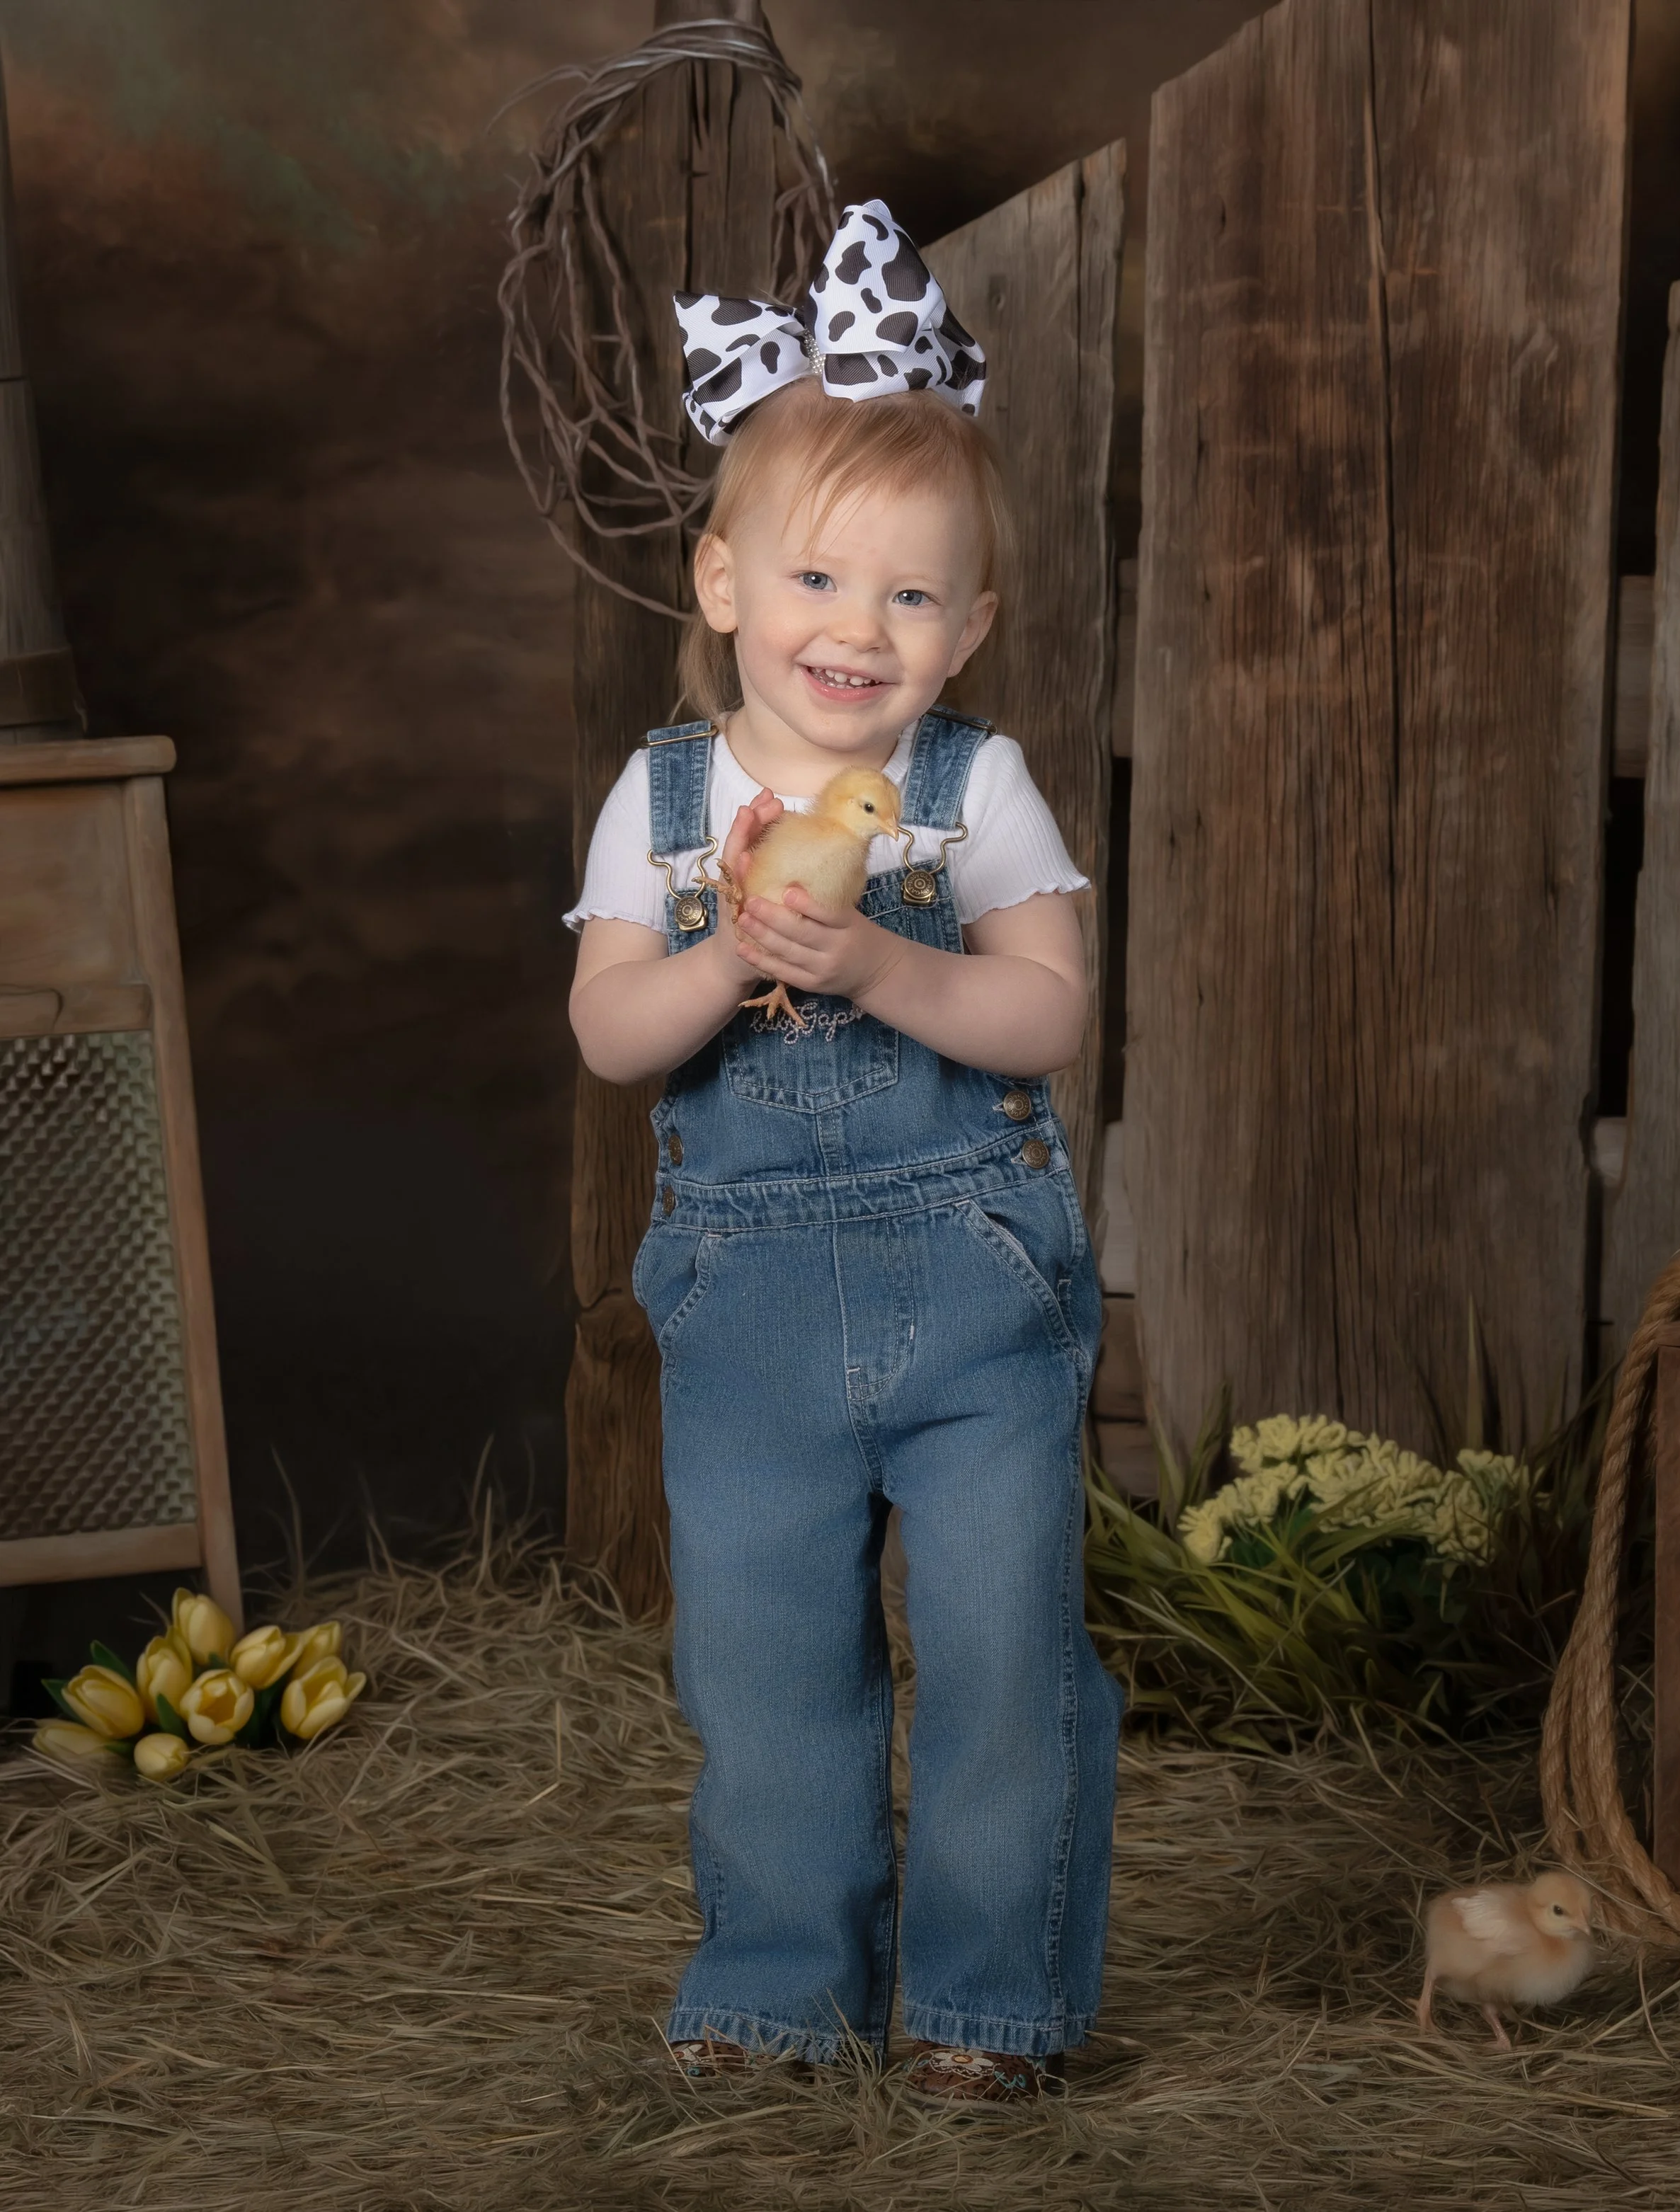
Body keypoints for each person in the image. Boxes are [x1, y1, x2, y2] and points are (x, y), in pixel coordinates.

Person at [566, 201, 1121, 2107]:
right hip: (749, 1325)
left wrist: (882, 957)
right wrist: (729, 956)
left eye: (908, 599)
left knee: (995, 1660)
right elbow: (609, 1032)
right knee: (769, 1673)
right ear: (721, 580)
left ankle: (985, 2004)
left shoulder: (967, 790)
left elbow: (1044, 1011)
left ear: (967, 626)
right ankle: (781, 1982)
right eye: (814, 580)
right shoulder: (662, 801)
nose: (854, 633)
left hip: (970, 1295)